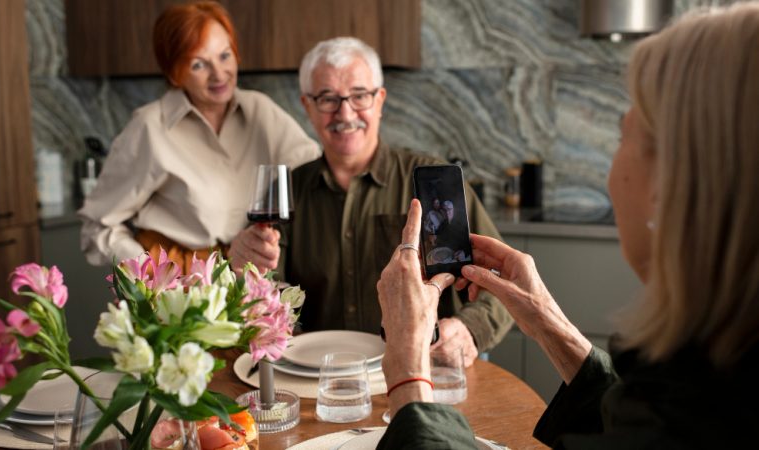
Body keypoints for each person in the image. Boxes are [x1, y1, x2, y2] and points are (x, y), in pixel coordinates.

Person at [375, 4, 759, 448]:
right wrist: (545, 321)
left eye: (623, 136)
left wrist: (407, 370)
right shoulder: (718, 380)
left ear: (674, 183)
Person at [229, 37, 513, 365]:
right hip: (322, 384)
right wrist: (241, 268)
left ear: (380, 100)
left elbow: (503, 279)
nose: (345, 112)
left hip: (425, 372)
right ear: (307, 106)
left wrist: (469, 329)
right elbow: (261, 299)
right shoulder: (284, 192)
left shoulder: (434, 182)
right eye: (327, 98)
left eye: (359, 96)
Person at [78, 1, 319, 273]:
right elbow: (97, 226)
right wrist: (152, 273)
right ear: (174, 73)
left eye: (225, 56)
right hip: (178, 287)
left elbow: (316, 172)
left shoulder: (260, 110)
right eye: (198, 65)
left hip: (247, 277)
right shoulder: (149, 127)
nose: (219, 74)